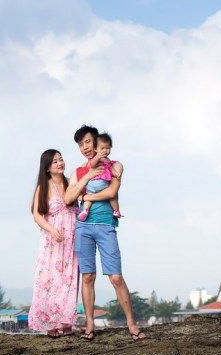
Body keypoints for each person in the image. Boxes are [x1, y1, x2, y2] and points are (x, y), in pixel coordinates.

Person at [63, 125, 145, 341]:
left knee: (116, 277)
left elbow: (112, 191)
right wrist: (87, 176)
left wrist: (86, 198)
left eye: (88, 142)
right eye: (81, 145)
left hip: (106, 225)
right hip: (83, 228)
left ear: (97, 141)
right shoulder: (77, 172)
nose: (85, 147)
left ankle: (131, 324)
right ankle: (90, 326)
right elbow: (67, 198)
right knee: (88, 276)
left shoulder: (115, 165)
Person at [28, 149, 79, 337]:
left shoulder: (70, 182)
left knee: (69, 279)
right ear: (47, 167)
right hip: (52, 239)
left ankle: (66, 322)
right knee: (49, 279)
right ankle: (50, 323)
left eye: (61, 159)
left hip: (71, 238)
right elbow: (36, 215)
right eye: (55, 161)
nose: (60, 163)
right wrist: (51, 230)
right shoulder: (44, 186)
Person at [76, 132, 124, 222]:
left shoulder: (109, 160)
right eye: (102, 148)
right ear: (96, 149)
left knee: (89, 197)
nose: (105, 151)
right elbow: (93, 164)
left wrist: (115, 173)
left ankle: (85, 210)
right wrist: (97, 157)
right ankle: (116, 211)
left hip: (92, 184)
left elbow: (111, 168)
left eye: (107, 148)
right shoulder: (99, 158)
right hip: (102, 183)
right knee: (112, 198)